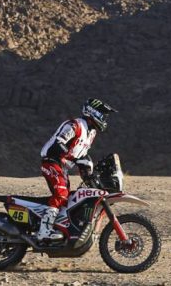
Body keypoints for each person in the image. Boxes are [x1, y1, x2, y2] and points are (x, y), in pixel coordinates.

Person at [37, 98, 117, 241]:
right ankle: (44, 231)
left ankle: (59, 227)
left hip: (63, 167)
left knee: (69, 199)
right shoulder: (74, 125)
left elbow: (81, 155)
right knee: (61, 194)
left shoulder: (91, 133)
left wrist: (89, 175)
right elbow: (57, 144)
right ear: (93, 112)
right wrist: (75, 160)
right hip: (51, 161)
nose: (105, 119)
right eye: (103, 114)